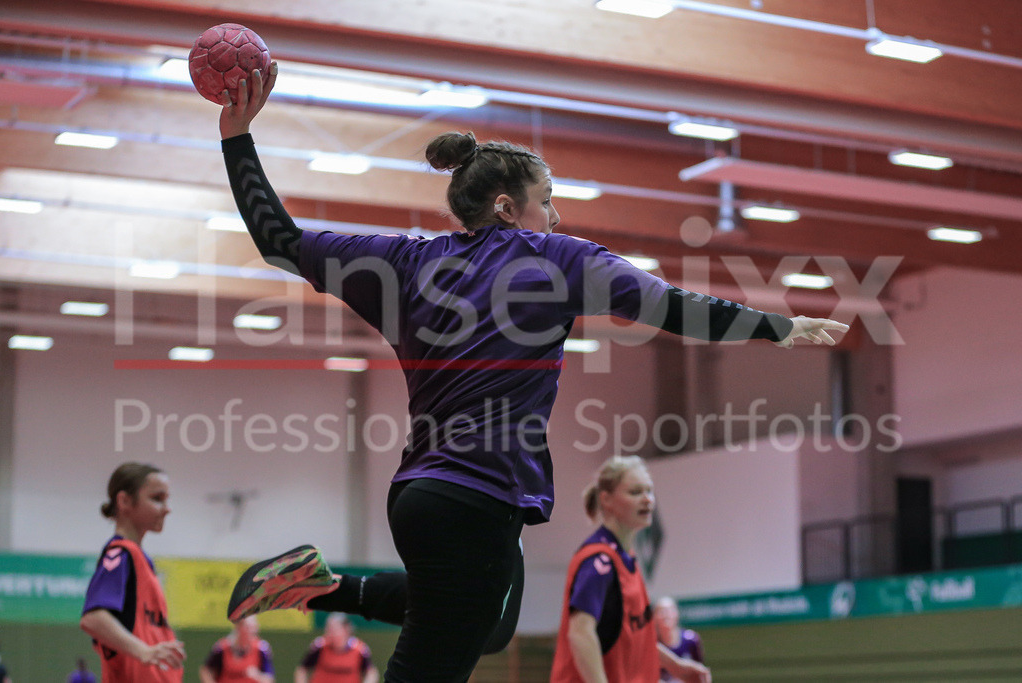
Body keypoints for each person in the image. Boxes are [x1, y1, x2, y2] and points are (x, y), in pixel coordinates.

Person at [214, 65, 847, 683]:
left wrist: (236, 137)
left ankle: (324, 586)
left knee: (491, 627)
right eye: (547, 201)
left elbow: (278, 241)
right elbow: (672, 308)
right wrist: (777, 327)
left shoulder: (401, 261)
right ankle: (326, 587)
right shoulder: (554, 259)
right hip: (476, 500)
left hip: (422, 496)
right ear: (507, 207)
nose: (556, 216)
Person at [550, 456, 711, 683]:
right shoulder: (599, 561)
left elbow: (638, 636)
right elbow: (580, 633)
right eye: (635, 492)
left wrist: (676, 666)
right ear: (607, 500)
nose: (647, 500)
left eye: (649, 491)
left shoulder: (627, 558)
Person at [80, 462, 185, 681]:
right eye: (157, 498)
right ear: (125, 501)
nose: (167, 508)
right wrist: (145, 651)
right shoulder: (121, 554)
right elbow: (93, 618)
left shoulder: (141, 561)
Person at [295, 613, 380, 683]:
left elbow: (371, 673)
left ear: (346, 629)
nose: (329, 632)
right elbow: (302, 669)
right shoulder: (320, 646)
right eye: (328, 628)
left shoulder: (359, 649)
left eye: (334, 629)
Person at [199, 616, 274, 683]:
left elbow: (269, 680)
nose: (250, 631)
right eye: (247, 627)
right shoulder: (222, 648)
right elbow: (205, 671)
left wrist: (256, 675)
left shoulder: (261, 649)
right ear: (238, 627)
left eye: (252, 628)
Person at [654, 597, 705, 682]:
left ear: (676, 613)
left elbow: (700, 671)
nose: (666, 615)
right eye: (661, 611)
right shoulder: (651, 644)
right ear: (654, 617)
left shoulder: (691, 640)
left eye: (669, 610)